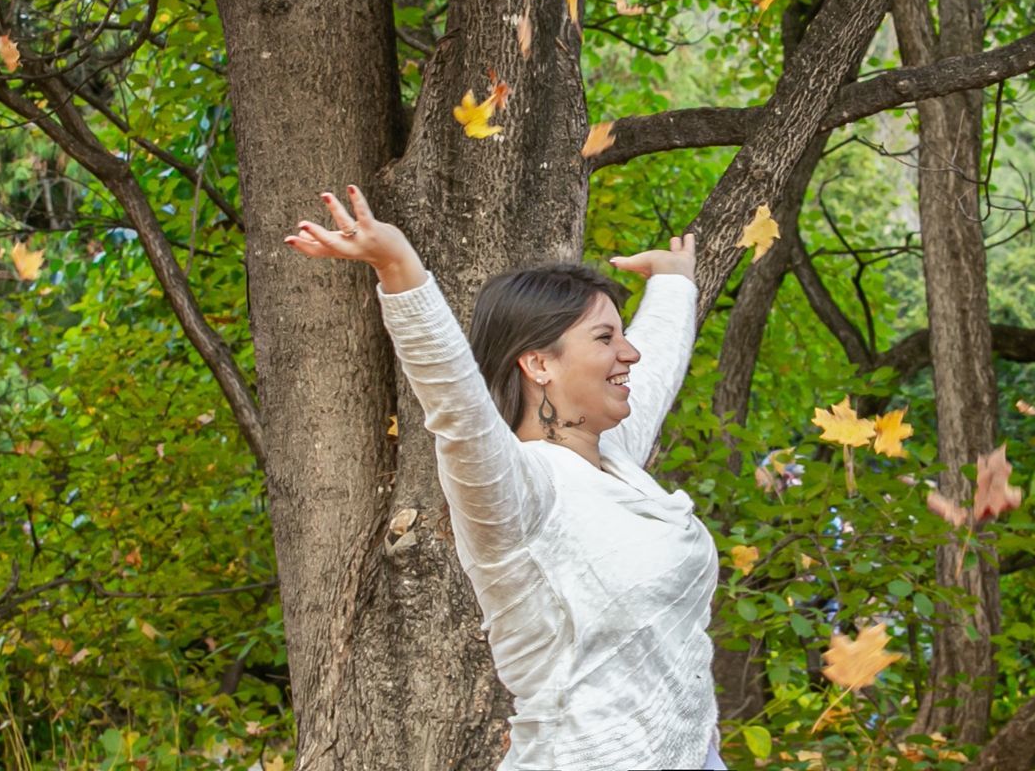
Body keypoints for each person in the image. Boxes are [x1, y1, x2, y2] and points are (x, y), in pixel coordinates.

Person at [285, 186, 725, 770]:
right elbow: (456, 407)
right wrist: (399, 267)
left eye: (623, 335)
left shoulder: (612, 462)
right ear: (539, 362)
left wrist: (672, 282)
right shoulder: (517, 491)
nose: (630, 354)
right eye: (605, 338)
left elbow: (660, 363)